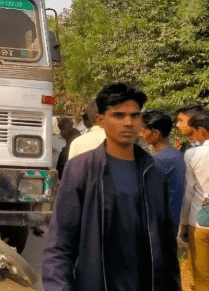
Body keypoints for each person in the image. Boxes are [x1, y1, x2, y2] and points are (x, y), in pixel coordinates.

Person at [42, 82, 181, 291]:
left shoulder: (154, 174)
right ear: (101, 120)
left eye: (135, 116)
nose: (128, 122)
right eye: (118, 115)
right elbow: (60, 244)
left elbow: (167, 247)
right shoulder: (81, 170)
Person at [179, 110, 209, 290]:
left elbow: (188, 193)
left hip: (199, 223)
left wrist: (183, 225)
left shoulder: (192, 155)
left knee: (202, 278)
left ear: (202, 131)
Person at [140, 110, 186, 226]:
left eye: (143, 131)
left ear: (155, 134)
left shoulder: (158, 160)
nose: (140, 135)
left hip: (160, 224)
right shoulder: (178, 155)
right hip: (174, 220)